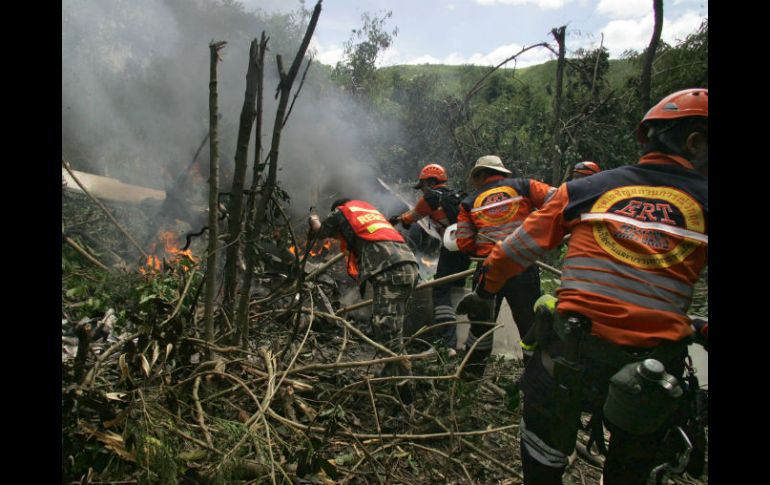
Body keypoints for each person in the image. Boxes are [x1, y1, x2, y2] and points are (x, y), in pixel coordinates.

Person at [464, 89, 708, 484]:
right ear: (695, 143)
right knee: (630, 472)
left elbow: (512, 252)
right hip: (651, 369)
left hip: (567, 356)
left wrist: (486, 290)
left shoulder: (582, 191)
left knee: (542, 461)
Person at [455, 155, 556, 376]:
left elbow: (463, 242)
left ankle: (470, 378)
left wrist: (481, 249)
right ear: (500, 173)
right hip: (522, 266)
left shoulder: (469, 202)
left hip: (487, 270)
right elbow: (559, 201)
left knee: (481, 327)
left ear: (481, 175)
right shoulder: (524, 186)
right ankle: (535, 379)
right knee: (529, 325)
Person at [309, 198, 419, 400]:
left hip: (391, 272)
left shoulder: (343, 212)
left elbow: (320, 231)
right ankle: (389, 375)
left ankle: (406, 393)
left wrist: (313, 217)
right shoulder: (368, 214)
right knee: (393, 329)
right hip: (408, 267)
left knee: (387, 331)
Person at [390, 163, 469, 352]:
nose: (422, 190)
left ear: (431, 182)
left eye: (423, 185)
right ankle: (462, 341)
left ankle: (447, 343)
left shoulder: (432, 198)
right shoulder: (457, 196)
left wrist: (397, 220)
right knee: (457, 289)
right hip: (467, 248)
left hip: (451, 248)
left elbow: (412, 217)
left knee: (440, 291)